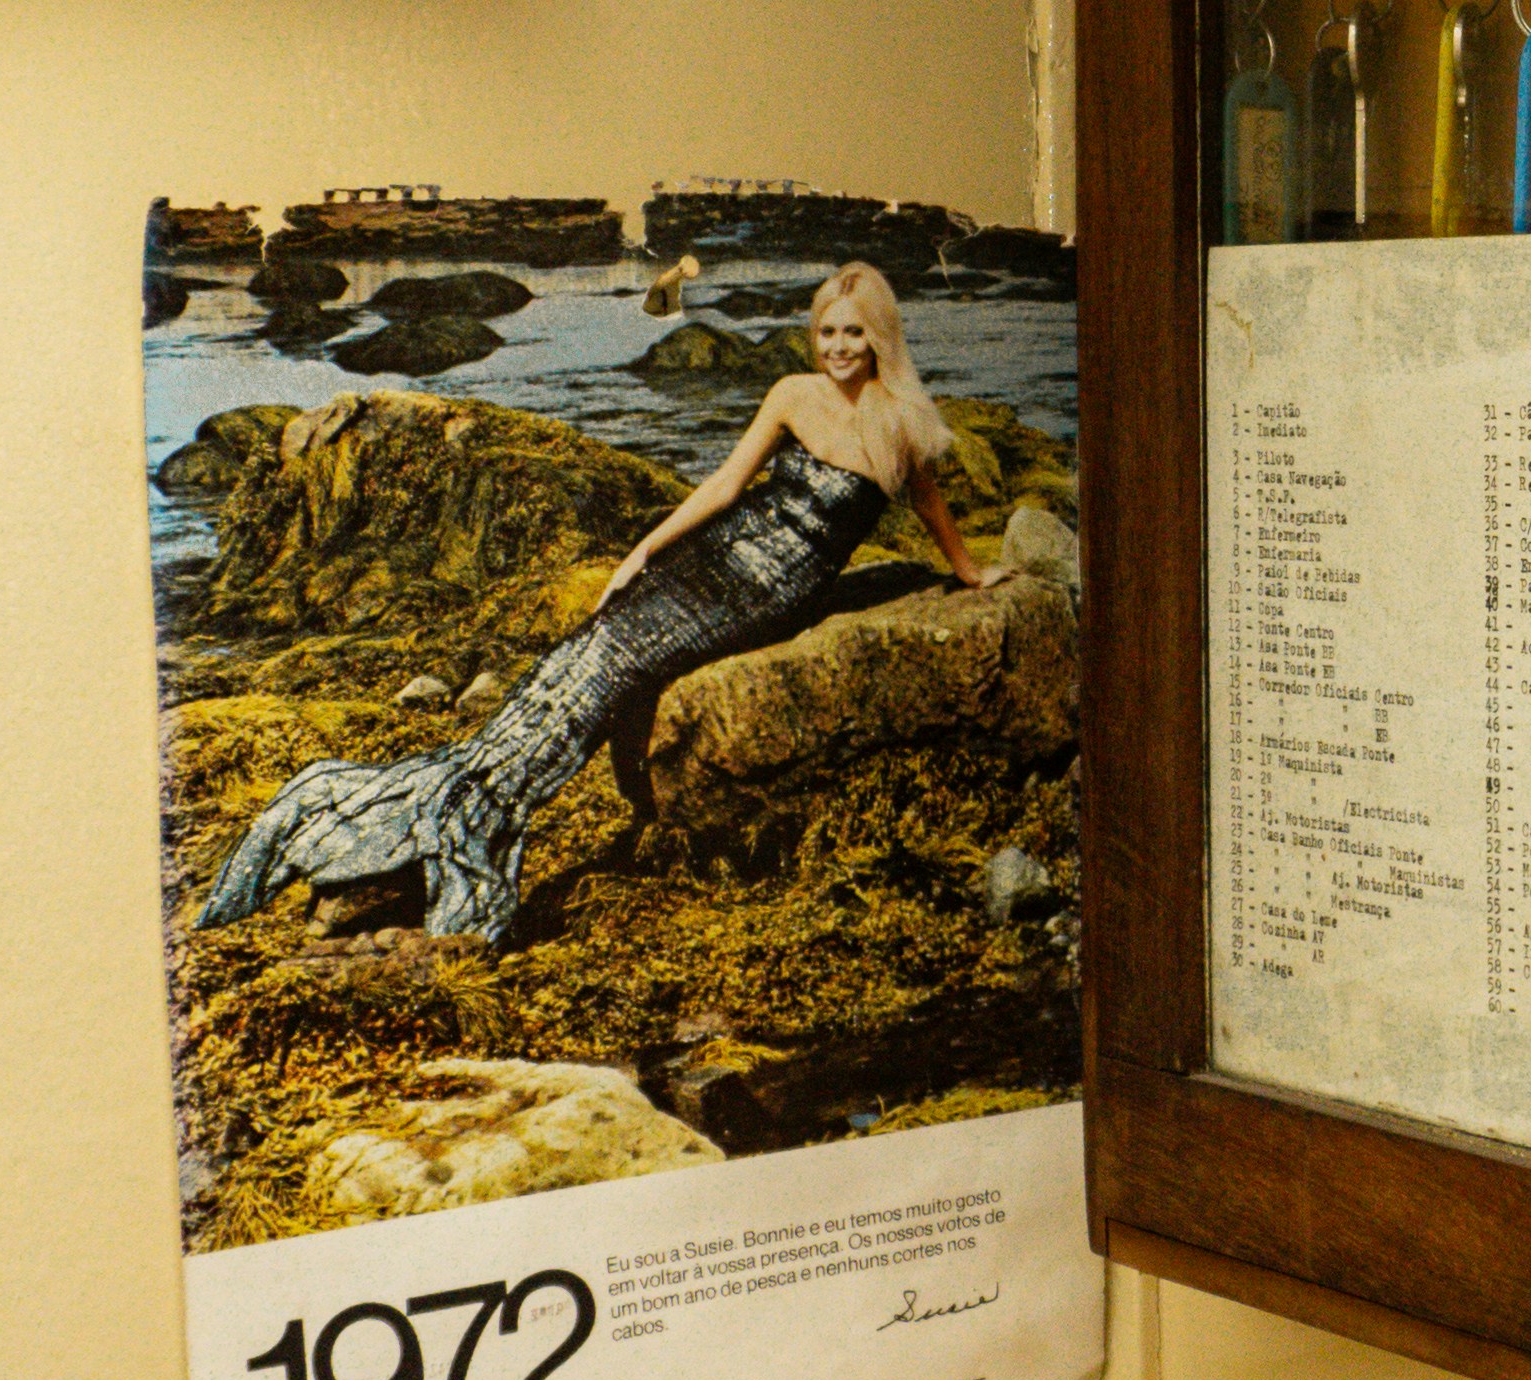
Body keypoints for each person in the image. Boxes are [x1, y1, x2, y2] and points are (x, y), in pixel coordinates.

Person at [194, 265, 994, 941]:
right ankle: (435, 805)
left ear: (880, 338)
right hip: (712, 556)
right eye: (827, 332)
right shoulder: (792, 392)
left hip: (774, 590)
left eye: (854, 333)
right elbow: (725, 486)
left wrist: (968, 571)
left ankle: (459, 823)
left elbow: (929, 505)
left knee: (615, 670)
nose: (839, 347)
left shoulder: (901, 423)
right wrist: (643, 551)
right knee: (576, 657)